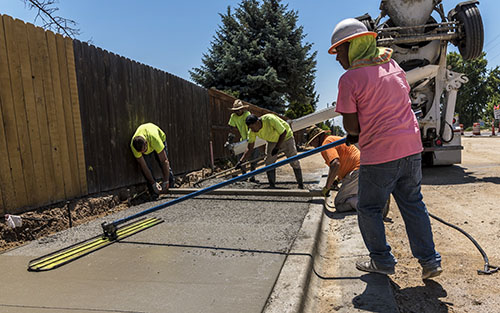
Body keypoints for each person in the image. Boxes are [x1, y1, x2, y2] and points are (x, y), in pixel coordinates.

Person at [329, 18, 442, 279]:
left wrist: (352, 134)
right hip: (411, 149)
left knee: (369, 208)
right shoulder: (393, 66)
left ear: (354, 46)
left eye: (339, 50)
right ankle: (430, 261)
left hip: (380, 155)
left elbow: (353, 128)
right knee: (413, 204)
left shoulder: (350, 79)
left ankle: (382, 261)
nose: (337, 58)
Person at [237, 113, 304, 189]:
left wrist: (277, 147)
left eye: (252, 127)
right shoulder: (252, 132)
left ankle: (300, 185)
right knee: (269, 162)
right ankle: (272, 185)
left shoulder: (269, 119)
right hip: (272, 141)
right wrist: (241, 161)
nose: (252, 130)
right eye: (250, 128)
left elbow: (283, 132)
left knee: (293, 160)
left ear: (257, 122)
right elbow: (250, 148)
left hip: (286, 138)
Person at [305, 126, 360, 212]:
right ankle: (371, 200)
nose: (312, 145)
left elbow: (335, 164)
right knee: (350, 196)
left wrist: (327, 187)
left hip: (357, 172)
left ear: (317, 138)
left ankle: (373, 207)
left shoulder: (326, 143)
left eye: (311, 142)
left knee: (339, 203)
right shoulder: (331, 139)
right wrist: (337, 180)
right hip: (360, 169)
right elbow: (344, 161)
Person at [131, 123, 175, 196]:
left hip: (158, 137)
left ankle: (170, 185)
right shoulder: (134, 147)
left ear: (146, 143)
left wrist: (166, 180)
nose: (144, 153)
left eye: (144, 150)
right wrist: (153, 183)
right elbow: (144, 167)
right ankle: (154, 192)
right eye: (141, 152)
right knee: (147, 167)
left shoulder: (155, 140)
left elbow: (164, 161)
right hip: (148, 142)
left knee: (161, 163)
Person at [228, 99, 259, 182]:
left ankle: (252, 176)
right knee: (241, 158)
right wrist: (231, 138)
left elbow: (250, 127)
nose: (238, 111)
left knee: (253, 157)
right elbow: (231, 127)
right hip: (243, 139)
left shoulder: (247, 114)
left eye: (239, 109)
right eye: (236, 110)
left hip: (251, 138)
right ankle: (244, 175)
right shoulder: (233, 116)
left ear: (242, 109)